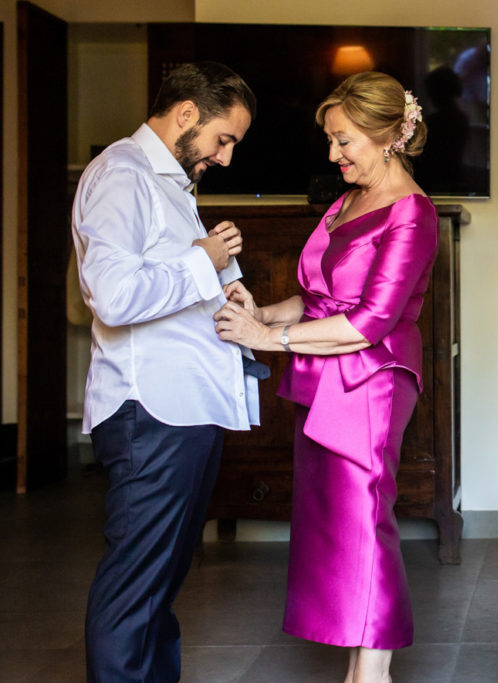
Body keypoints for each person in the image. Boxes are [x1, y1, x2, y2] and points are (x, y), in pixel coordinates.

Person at [213, 71, 437, 683]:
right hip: (322, 375)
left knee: (365, 517)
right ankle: (358, 660)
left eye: (344, 140)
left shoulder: (412, 214)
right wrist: (262, 313)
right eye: (331, 140)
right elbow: (317, 298)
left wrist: (269, 340)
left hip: (371, 381)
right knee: (335, 523)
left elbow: (369, 323)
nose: (333, 153)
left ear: (390, 136)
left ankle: (373, 671)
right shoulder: (346, 200)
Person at [71, 62, 259, 681]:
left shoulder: (171, 183)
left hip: (183, 408)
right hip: (150, 411)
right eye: (223, 139)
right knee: (136, 585)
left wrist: (223, 288)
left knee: (160, 583)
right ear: (186, 114)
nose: (225, 157)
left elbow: (167, 285)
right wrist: (204, 259)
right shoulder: (122, 175)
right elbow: (115, 296)